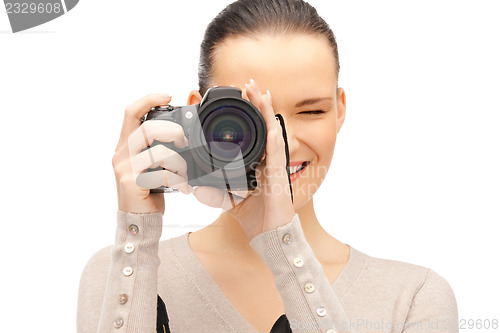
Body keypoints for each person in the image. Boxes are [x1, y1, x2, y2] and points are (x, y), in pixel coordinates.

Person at [77, 0, 459, 332]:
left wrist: (280, 242)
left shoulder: (413, 299)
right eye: (251, 116)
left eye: (312, 111)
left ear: (340, 111)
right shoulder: (123, 271)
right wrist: (137, 237)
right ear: (199, 113)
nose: (282, 144)